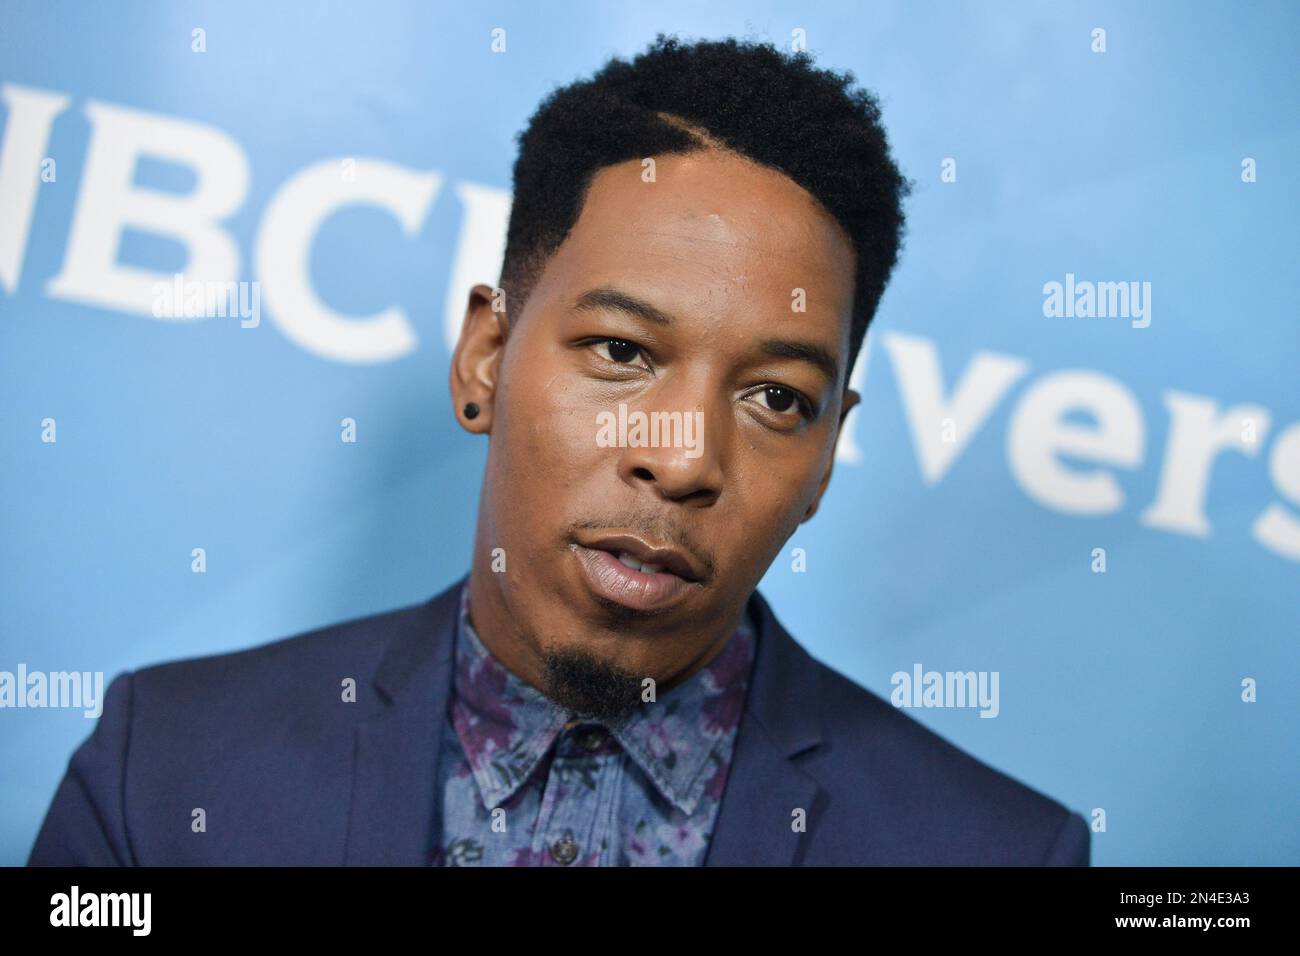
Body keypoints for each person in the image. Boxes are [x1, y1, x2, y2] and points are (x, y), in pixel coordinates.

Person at [29, 34, 1088, 866]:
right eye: (622, 350)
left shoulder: (994, 850)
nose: (682, 460)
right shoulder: (168, 766)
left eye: (775, 396)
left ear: (825, 455)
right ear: (486, 357)